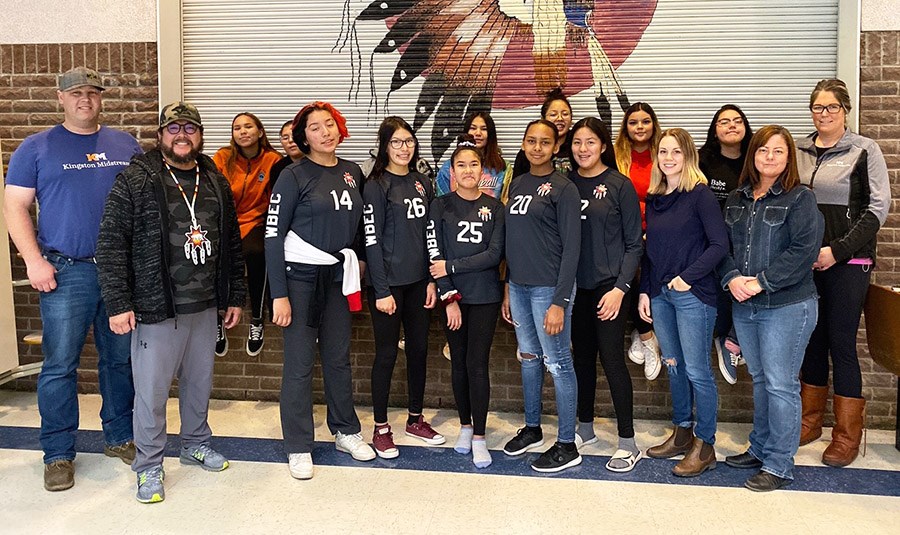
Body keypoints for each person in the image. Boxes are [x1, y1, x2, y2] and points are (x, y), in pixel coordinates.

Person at [96, 102, 245, 503]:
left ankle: (195, 442)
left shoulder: (213, 180)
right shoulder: (136, 179)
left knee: (199, 384)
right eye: (174, 128)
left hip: (204, 305)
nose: (183, 136)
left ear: (200, 135)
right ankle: (148, 466)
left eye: (191, 129)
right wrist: (118, 302)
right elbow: (110, 245)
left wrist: (234, 294)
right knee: (152, 391)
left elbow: (231, 242)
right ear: (161, 135)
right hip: (157, 306)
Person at [3, 67, 141, 492]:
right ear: (60, 98)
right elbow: (14, 207)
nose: (85, 99)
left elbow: (145, 205)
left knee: (119, 360)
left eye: (93, 93)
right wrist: (33, 261)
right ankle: (58, 452)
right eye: (76, 93)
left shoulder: (126, 144)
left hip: (120, 272)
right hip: (65, 272)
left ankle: (119, 437)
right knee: (60, 366)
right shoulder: (36, 147)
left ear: (101, 99)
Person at [266, 102, 376, 480]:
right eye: (315, 127)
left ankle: (345, 430)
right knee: (298, 366)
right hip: (299, 280)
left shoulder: (352, 171)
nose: (325, 132)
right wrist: (278, 294)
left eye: (330, 124)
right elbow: (272, 237)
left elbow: (361, 226)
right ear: (304, 136)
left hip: (337, 280)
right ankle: (298, 445)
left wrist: (359, 260)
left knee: (338, 358)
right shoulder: (293, 175)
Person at [720, 125, 823, 492]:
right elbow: (722, 246)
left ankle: (779, 463)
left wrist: (759, 281)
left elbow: (803, 252)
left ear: (788, 157)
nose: (769, 157)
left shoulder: (800, 199)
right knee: (761, 380)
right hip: (745, 305)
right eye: (763, 151)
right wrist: (732, 277)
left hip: (787, 306)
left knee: (781, 384)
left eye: (778, 151)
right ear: (753, 156)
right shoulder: (736, 199)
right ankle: (760, 447)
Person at [796, 79, 891, 467]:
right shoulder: (800, 150)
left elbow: (877, 208)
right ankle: (810, 421)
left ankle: (847, 435)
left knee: (841, 341)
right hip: (806, 263)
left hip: (849, 263)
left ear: (845, 110)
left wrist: (836, 250)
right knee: (812, 340)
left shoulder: (864, 149)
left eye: (831, 107)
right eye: (818, 107)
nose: (824, 114)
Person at [639, 128, 727, 477]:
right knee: (673, 365)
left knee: (697, 371)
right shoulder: (656, 199)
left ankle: (705, 445)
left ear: (688, 156)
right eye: (663, 152)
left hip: (694, 297)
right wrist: (645, 290)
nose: (669, 158)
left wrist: (688, 277)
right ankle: (681, 432)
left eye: (676, 151)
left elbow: (719, 245)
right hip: (660, 296)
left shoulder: (700, 195)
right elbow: (650, 252)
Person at [501, 119, 582, 473]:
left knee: (559, 363)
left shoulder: (564, 189)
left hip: (549, 289)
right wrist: (507, 286)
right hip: (519, 287)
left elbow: (573, 249)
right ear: (523, 144)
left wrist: (559, 302)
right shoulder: (516, 185)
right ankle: (533, 428)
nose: (537, 147)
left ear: (555, 147)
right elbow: (511, 242)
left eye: (544, 142)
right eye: (531, 141)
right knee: (530, 358)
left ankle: (567, 444)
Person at [363, 116, 442, 459]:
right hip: (387, 286)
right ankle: (380, 428)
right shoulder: (376, 185)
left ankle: (415, 418)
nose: (403, 148)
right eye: (396, 142)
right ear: (384, 146)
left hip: (417, 285)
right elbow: (371, 240)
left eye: (408, 141)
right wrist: (381, 290)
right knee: (385, 354)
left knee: (419, 350)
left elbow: (431, 235)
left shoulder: (422, 182)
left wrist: (430, 280)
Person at [568, 117, 643, 472]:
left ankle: (628, 442)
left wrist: (620, 289)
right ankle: (585, 428)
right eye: (577, 142)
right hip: (575, 288)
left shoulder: (619, 185)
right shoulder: (564, 184)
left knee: (612, 360)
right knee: (581, 359)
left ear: (603, 146)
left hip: (609, 287)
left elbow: (634, 245)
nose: (583, 149)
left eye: (590, 142)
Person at [427, 135, 505, 468]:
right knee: (458, 363)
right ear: (452, 172)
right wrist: (448, 297)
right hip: (453, 299)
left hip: (485, 296)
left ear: (483, 170)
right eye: (461, 165)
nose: (469, 170)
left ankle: (480, 437)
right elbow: (434, 253)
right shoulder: (440, 205)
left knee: (477, 363)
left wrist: (453, 267)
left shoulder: (496, 207)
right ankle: (464, 425)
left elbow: (493, 254)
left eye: (474, 164)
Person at [213, 113, 282, 356]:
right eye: (237, 128)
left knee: (257, 253)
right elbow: (214, 193)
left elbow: (276, 199)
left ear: (260, 132)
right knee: (214, 257)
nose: (242, 132)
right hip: (226, 222)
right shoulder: (222, 157)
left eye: (248, 126)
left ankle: (257, 319)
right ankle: (216, 319)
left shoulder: (273, 160)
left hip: (256, 221)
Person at [699, 104, 754, 385]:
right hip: (711, 240)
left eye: (737, 121)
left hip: (749, 239)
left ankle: (732, 338)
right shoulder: (702, 161)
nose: (731, 125)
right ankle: (725, 337)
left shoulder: (756, 160)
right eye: (724, 122)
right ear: (715, 130)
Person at [614, 102, 663, 381]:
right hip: (624, 232)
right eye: (633, 122)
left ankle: (642, 333)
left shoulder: (662, 153)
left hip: (656, 230)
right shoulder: (617, 155)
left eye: (645, 121)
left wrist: (652, 230)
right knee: (628, 281)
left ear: (653, 125)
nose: (640, 127)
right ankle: (646, 337)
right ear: (626, 127)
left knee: (650, 284)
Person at [435, 112, 511, 198]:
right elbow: (442, 202)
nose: (478, 133)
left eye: (484, 129)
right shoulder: (448, 168)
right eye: (473, 128)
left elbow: (505, 202)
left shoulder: (502, 167)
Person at [512, 88, 575, 178]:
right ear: (543, 118)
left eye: (565, 114)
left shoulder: (577, 145)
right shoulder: (530, 150)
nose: (560, 118)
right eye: (553, 114)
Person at [270, 120, 305, 184]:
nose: (290, 140)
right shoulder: (278, 169)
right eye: (285, 138)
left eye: (295, 136)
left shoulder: (318, 163)